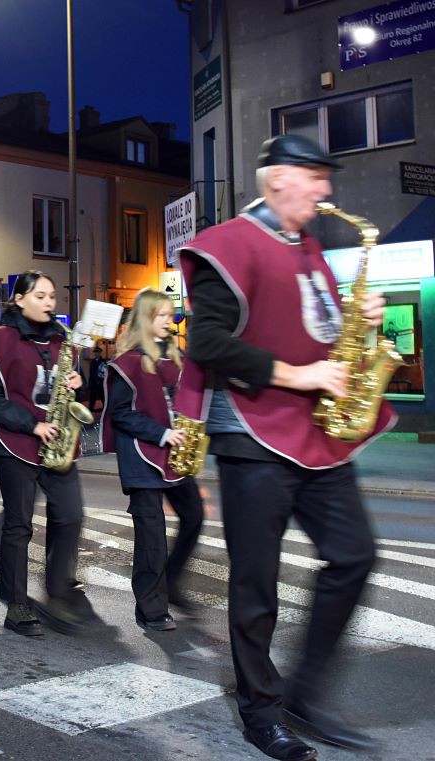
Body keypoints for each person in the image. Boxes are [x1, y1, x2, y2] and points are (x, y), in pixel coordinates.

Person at [179, 134, 391, 760]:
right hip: (252, 436)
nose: (327, 191)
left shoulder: (311, 248)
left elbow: (322, 329)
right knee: (254, 585)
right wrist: (298, 375)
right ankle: (260, 711)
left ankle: (304, 693)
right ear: (276, 179)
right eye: (315, 177)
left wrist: (365, 322)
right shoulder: (227, 244)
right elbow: (207, 343)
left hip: (317, 434)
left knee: (354, 555)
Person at [0, 271, 87, 636]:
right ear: (19, 299)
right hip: (15, 443)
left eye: (52, 296)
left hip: (58, 444)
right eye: (40, 295)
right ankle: (16, 604)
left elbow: (77, 389)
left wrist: (77, 382)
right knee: (19, 526)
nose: (49, 302)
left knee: (70, 516)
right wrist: (30, 424)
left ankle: (56, 589)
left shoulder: (63, 341)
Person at [100, 289, 204, 633]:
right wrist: (162, 434)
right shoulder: (127, 363)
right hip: (142, 458)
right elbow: (121, 415)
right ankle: (150, 607)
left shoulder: (176, 356)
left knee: (194, 515)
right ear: (145, 319)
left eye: (170, 314)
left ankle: (170, 582)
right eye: (162, 315)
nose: (170, 321)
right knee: (152, 537)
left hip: (174, 455)